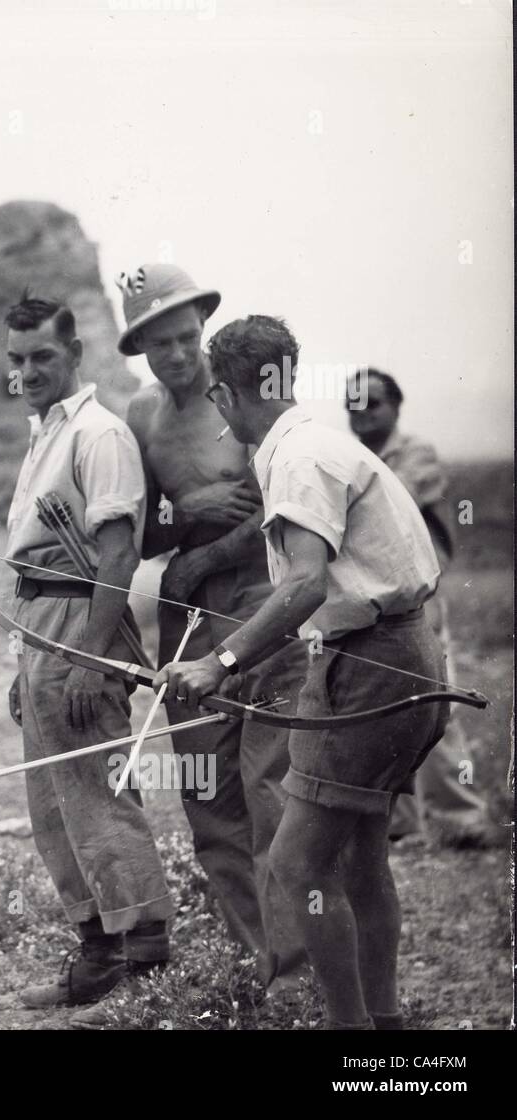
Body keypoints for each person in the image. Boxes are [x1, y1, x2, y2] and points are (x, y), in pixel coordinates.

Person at [160, 315, 448, 1031]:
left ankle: (350, 1036)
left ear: (226, 396)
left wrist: (217, 662)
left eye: (218, 399)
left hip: (375, 665)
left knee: (296, 863)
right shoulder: (318, 441)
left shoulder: (296, 457)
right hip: (397, 656)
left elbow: (304, 586)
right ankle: (379, 1030)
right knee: (358, 855)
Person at [117, 263, 308, 995]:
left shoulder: (245, 397)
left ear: (201, 329)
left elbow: (285, 504)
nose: (175, 354)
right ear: (138, 347)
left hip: (263, 605)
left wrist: (207, 552)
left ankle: (298, 972)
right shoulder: (141, 416)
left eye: (185, 337)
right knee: (209, 802)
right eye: (157, 342)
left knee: (273, 793)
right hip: (187, 621)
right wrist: (191, 520)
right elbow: (141, 531)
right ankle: (257, 965)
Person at [0, 295, 174, 1011]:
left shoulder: (98, 433)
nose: (28, 370)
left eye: (42, 356)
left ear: (75, 356)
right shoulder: (47, 432)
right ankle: (99, 943)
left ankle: (142, 944)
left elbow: (116, 554)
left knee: (96, 788)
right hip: (42, 616)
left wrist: (93, 658)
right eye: (17, 358)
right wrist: (27, 659)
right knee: (52, 798)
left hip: (79, 617)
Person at [347, 367, 499, 847]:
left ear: (396, 407)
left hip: (419, 599)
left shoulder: (417, 454)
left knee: (434, 707)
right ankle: (402, 824)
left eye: (372, 402)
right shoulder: (352, 456)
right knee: (381, 710)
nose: (361, 412)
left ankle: (463, 818)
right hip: (370, 602)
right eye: (352, 403)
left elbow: (392, 499)